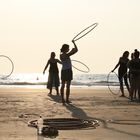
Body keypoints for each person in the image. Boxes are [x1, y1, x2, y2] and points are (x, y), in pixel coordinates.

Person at [60, 40, 78, 104]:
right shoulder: (62, 55)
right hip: (66, 71)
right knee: (63, 86)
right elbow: (67, 55)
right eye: (68, 48)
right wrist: (71, 51)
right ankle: (63, 99)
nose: (69, 49)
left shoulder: (67, 54)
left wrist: (74, 43)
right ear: (65, 49)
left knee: (67, 86)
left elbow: (76, 50)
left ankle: (66, 99)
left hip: (67, 71)